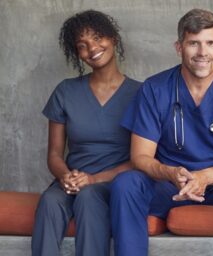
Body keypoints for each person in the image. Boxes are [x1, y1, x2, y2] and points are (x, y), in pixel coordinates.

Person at [110, 9, 213, 256]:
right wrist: (169, 172)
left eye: (210, 43)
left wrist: (206, 177)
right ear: (179, 47)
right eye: (193, 44)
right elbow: (140, 157)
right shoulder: (154, 89)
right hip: (170, 185)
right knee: (126, 183)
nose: (202, 53)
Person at [32, 10, 140, 256]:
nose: (92, 48)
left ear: (113, 38)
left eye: (98, 37)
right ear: (77, 53)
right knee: (49, 200)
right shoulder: (65, 91)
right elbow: (55, 154)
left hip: (114, 181)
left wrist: (94, 179)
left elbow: (142, 160)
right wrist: (66, 176)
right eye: (82, 45)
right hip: (72, 180)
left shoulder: (141, 94)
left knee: (89, 197)